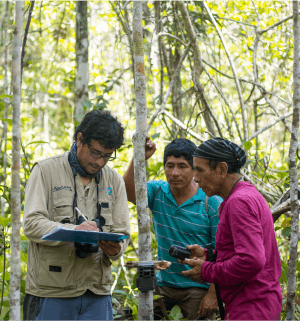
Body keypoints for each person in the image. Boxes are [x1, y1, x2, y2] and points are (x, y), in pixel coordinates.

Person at [23, 110, 130, 321]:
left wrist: (116, 248)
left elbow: (122, 233)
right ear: (80, 139)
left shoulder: (114, 180)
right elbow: (32, 223)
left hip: (97, 292)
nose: (100, 162)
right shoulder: (45, 171)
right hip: (52, 290)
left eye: (107, 156)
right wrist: (74, 231)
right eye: (96, 153)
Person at [181, 137, 282, 321]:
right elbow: (244, 250)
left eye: (200, 170)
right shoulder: (244, 195)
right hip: (255, 304)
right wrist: (209, 255)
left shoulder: (239, 202)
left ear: (222, 169)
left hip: (252, 307)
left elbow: (251, 260)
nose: (195, 177)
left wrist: (206, 271)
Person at [123, 137, 222, 320]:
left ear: (194, 170)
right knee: (131, 314)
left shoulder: (210, 201)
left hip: (198, 287)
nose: (175, 173)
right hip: (163, 284)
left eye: (182, 166)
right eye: (170, 166)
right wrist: (139, 157)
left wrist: (213, 294)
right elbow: (130, 192)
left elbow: (222, 252)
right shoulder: (158, 192)